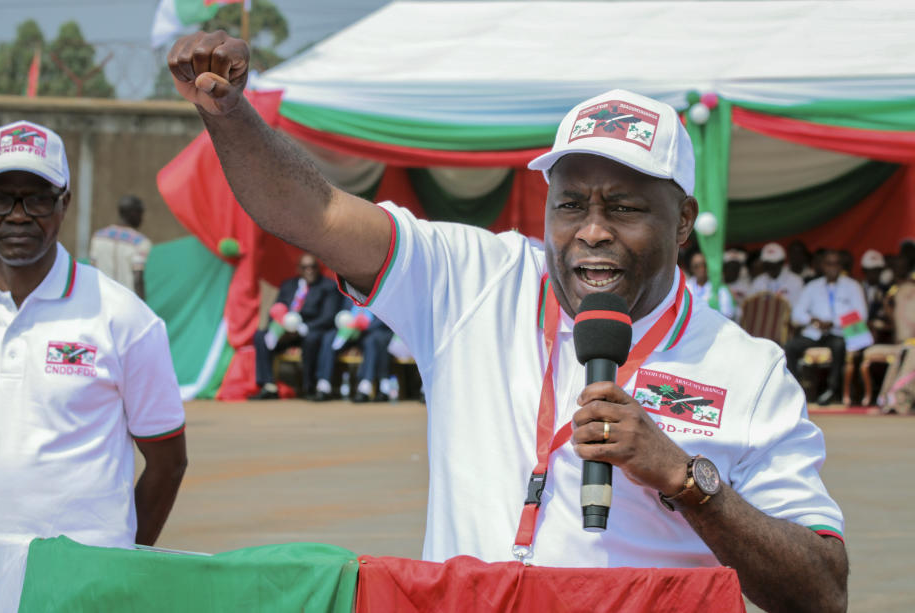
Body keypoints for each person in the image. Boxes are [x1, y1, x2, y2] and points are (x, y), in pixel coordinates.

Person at [168, 33, 847, 613]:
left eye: (625, 207)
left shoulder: (747, 371)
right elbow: (312, 212)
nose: (592, 232)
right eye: (571, 203)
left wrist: (685, 480)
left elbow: (822, 588)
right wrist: (232, 118)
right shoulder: (476, 279)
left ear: (683, 223)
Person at [0, 120, 187, 548]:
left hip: (85, 584)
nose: (19, 216)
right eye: (0, 198)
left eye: (38, 199)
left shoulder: (125, 319)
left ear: (65, 203)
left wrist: (116, 564)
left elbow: (167, 463)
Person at [250, 253, 341, 400]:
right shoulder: (288, 285)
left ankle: (309, 386)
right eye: (305, 267)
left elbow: (329, 316)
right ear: (299, 269)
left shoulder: (328, 286)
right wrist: (281, 326)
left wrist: (302, 328)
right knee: (261, 335)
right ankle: (268, 386)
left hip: (310, 330)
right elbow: (275, 309)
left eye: (313, 267)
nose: (309, 270)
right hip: (285, 331)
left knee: (312, 339)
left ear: (318, 268)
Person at [786, 250, 869, 406]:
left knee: (839, 347)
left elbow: (861, 315)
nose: (832, 268)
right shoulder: (812, 286)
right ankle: (794, 390)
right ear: (822, 266)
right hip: (814, 332)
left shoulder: (852, 286)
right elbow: (796, 314)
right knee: (790, 347)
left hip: (839, 332)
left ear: (841, 266)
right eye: (828, 264)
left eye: (836, 264)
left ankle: (832, 389)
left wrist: (834, 322)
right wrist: (812, 319)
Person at [89, 194, 152, 300]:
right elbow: (137, 278)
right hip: (126, 303)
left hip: (101, 300)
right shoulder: (140, 242)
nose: (142, 219)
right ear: (134, 213)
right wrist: (142, 308)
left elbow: (92, 271)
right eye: (141, 214)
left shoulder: (98, 237)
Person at [685, 251, 734, 319]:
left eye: (704, 265)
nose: (701, 269)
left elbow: (728, 313)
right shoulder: (685, 288)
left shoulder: (720, 288)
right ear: (691, 268)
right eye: (696, 266)